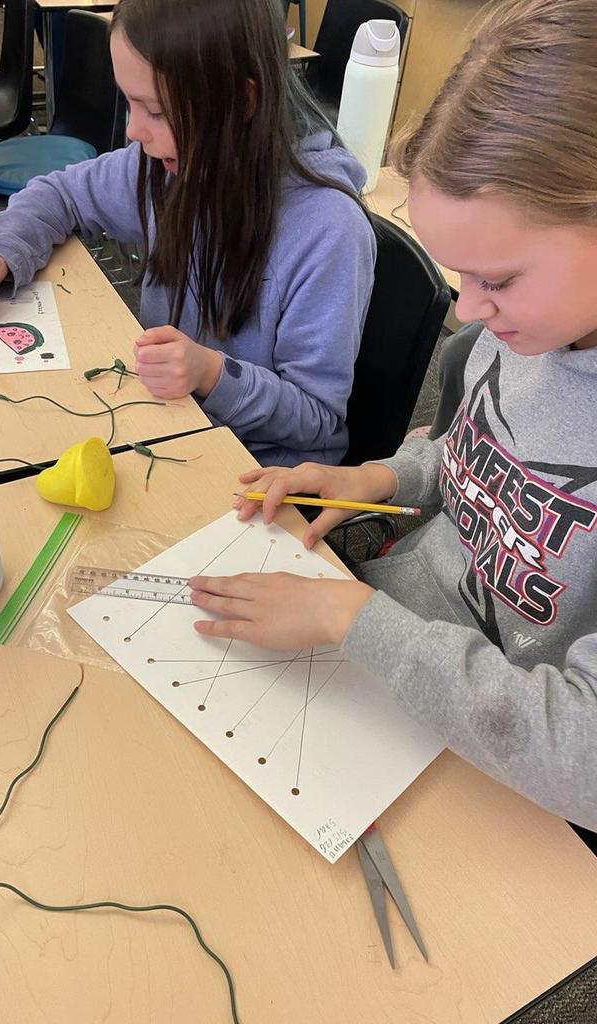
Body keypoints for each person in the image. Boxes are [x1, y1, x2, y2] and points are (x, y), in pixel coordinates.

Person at [188, 0, 597, 833]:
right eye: (462, 277)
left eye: (500, 279)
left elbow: (581, 754)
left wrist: (350, 621)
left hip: (508, 768)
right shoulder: (529, 329)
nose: (469, 309)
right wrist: (380, 477)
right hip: (388, 654)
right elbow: (477, 455)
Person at [0, 0, 375, 467]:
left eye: (155, 110)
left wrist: (211, 373)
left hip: (256, 468)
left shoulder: (329, 230)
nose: (132, 132)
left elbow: (317, 420)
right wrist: (5, 251)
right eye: (128, 102)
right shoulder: (172, 163)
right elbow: (63, 193)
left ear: (244, 101)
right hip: (168, 423)